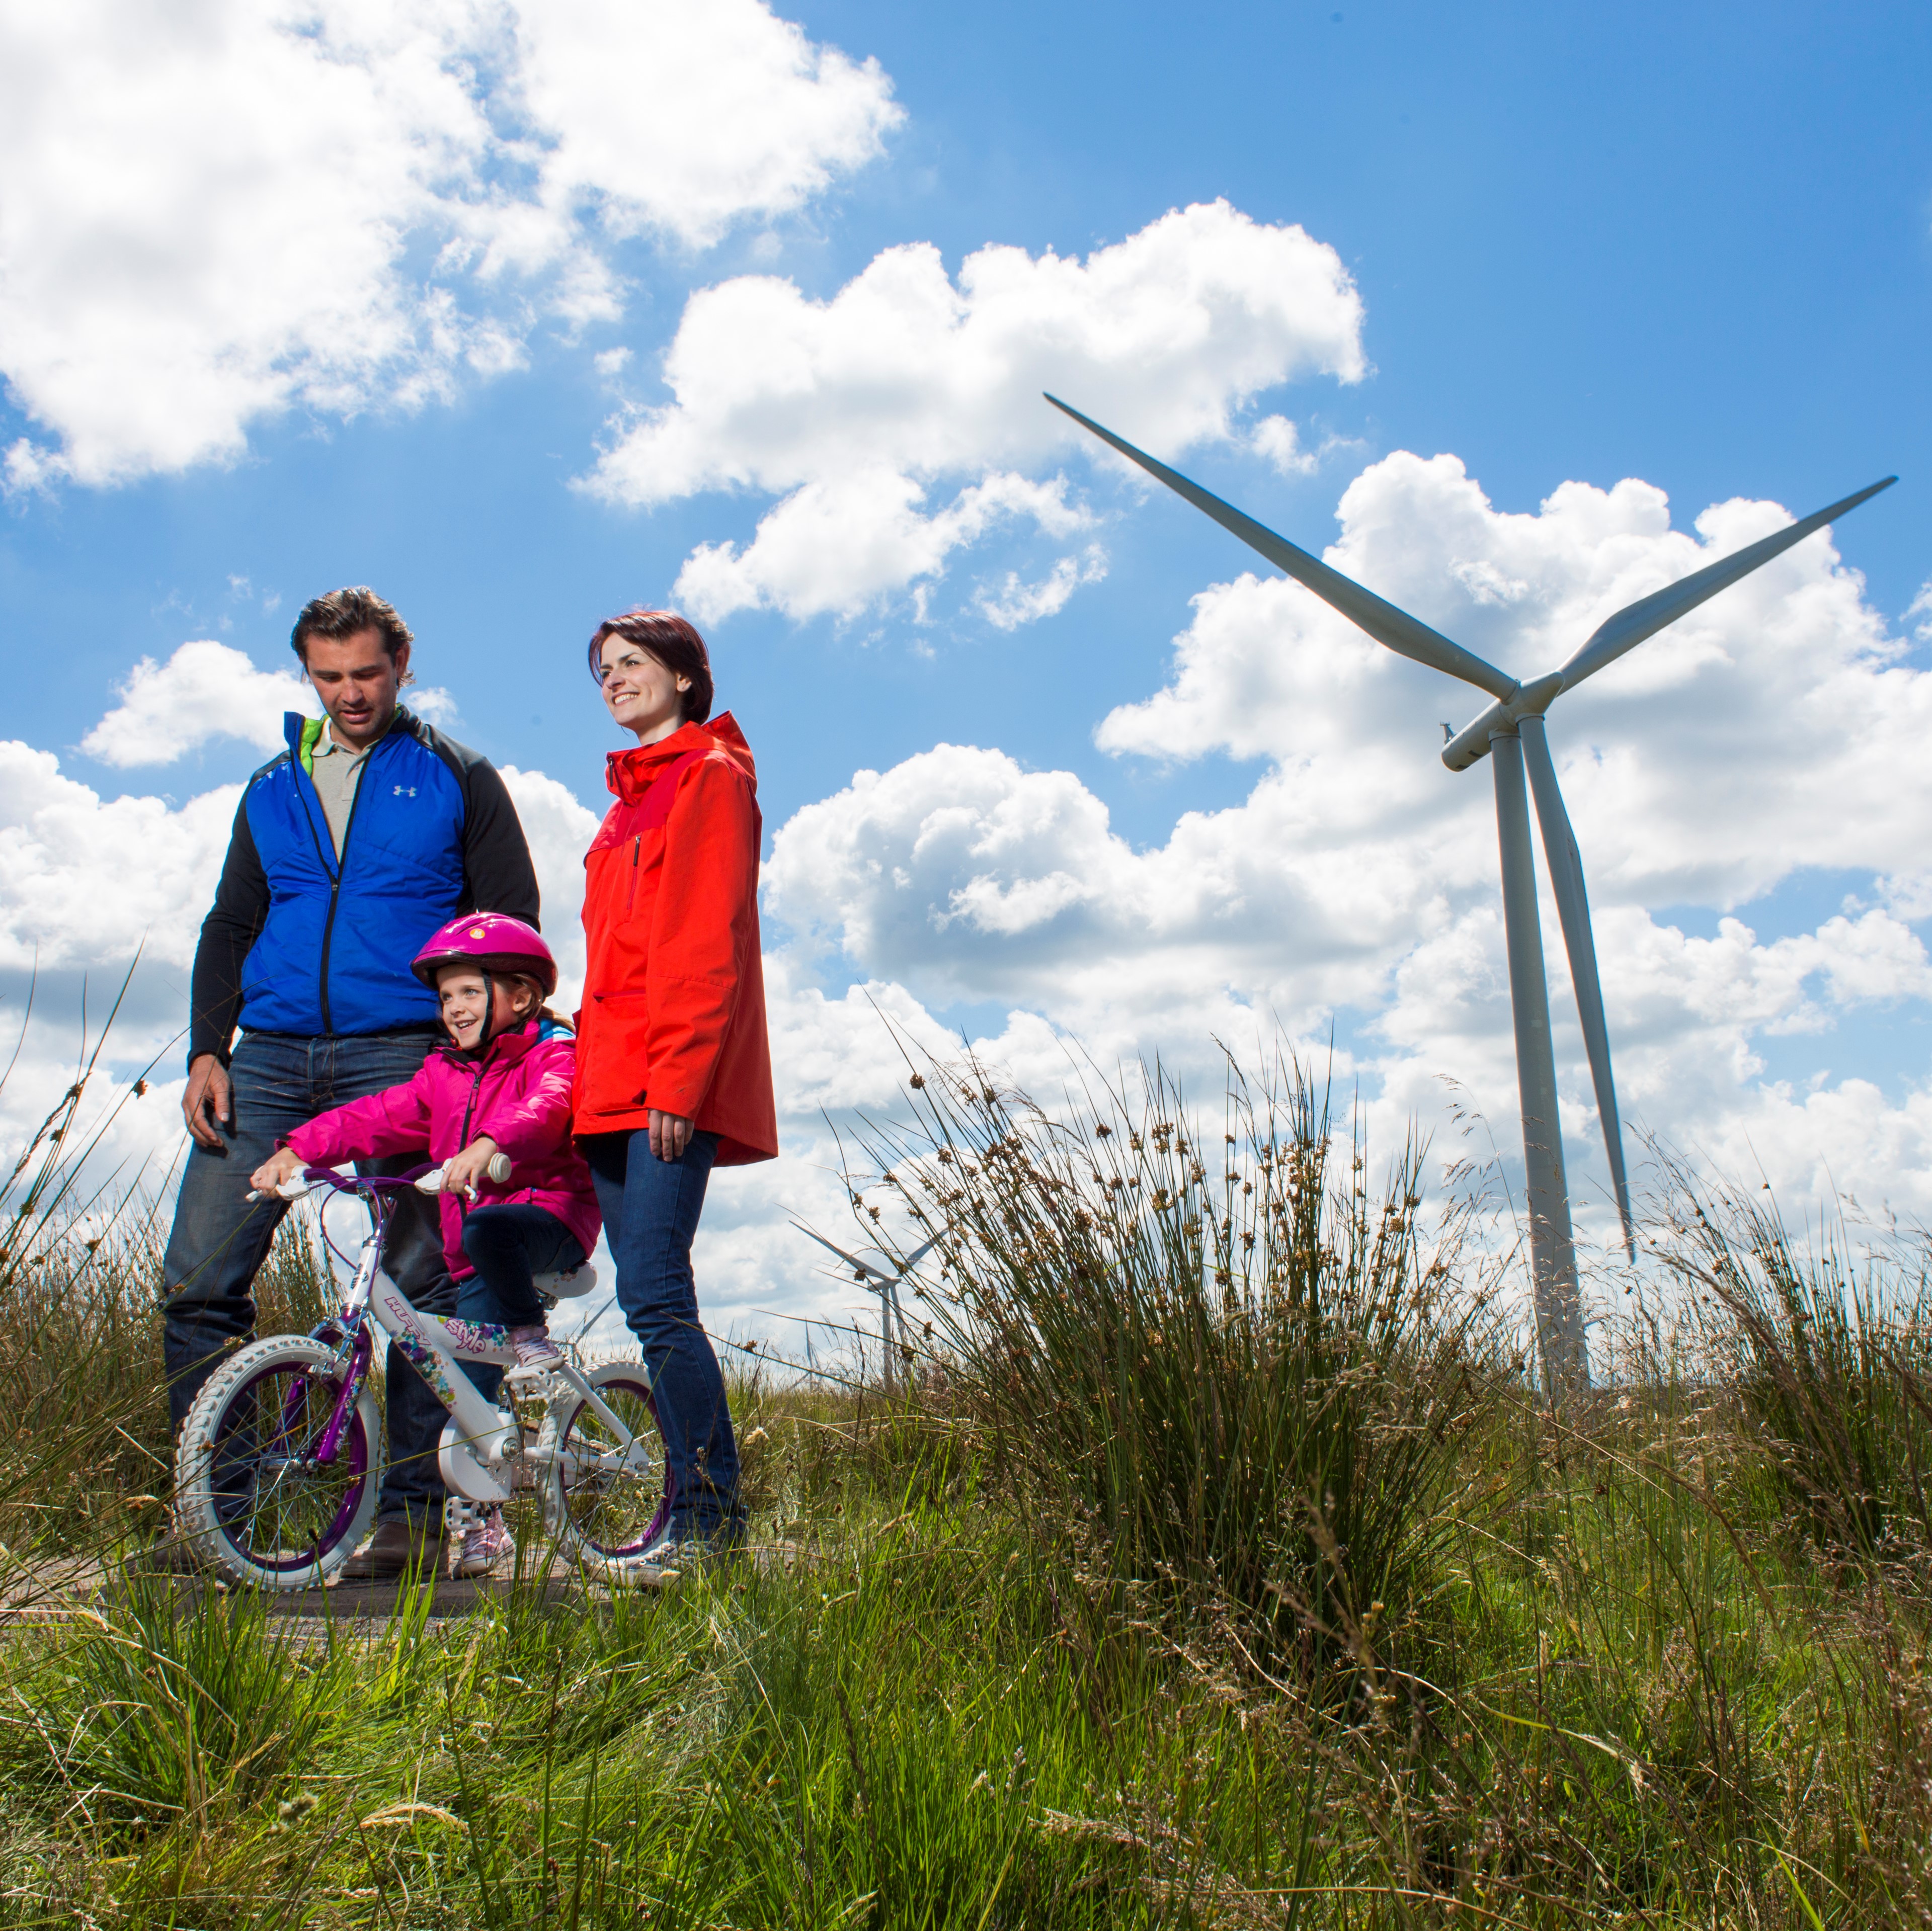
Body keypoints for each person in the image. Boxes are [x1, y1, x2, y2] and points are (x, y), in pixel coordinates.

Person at [157, 586, 541, 1579]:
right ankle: (214, 1517)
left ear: (402, 664)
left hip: (402, 1059)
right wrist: (209, 1048)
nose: (350, 692)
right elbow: (229, 925)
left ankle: (410, 1518)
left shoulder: (457, 776)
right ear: (307, 676)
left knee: (420, 1292)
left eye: (366, 673)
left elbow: (510, 929)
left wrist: (487, 1068)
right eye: (329, 677)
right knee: (199, 1282)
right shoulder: (271, 785)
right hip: (269, 1061)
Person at [252, 913, 600, 1580]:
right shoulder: (441, 1075)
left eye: (470, 992)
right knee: (461, 1390)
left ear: (520, 997)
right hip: (476, 1246)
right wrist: (299, 1150)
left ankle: (529, 1335)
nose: (454, 1009)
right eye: (445, 998)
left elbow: (548, 1107)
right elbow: (376, 1114)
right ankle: (483, 1524)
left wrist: (490, 1146)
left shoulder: (553, 1053)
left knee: (486, 1232)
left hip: (543, 1220)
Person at [574, 608, 777, 1561]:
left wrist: (681, 1081)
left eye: (633, 663)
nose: (614, 679)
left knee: (656, 1293)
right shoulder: (622, 805)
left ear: (687, 676)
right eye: (603, 669)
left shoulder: (709, 776)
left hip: (663, 1079)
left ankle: (708, 1520)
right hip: (605, 1078)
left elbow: (706, 939)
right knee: (640, 1294)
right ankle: (685, 1512)